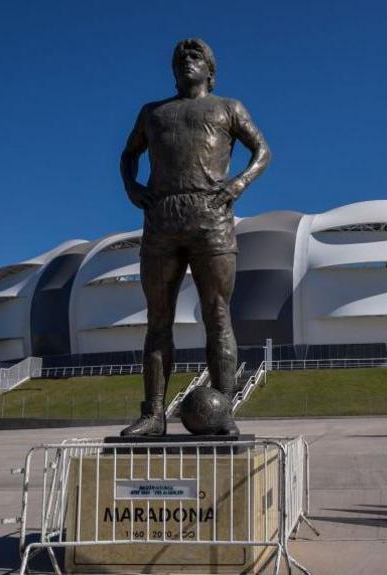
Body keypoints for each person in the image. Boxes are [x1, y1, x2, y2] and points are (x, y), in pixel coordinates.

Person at [119, 38, 271, 436]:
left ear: (210, 70)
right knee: (157, 320)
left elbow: (263, 151)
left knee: (217, 315)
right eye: (181, 57)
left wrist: (238, 185)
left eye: (196, 56)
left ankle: (224, 413)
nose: (188, 61)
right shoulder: (153, 113)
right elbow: (127, 155)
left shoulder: (228, 107)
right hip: (162, 218)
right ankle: (153, 414)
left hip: (211, 216)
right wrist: (133, 188)